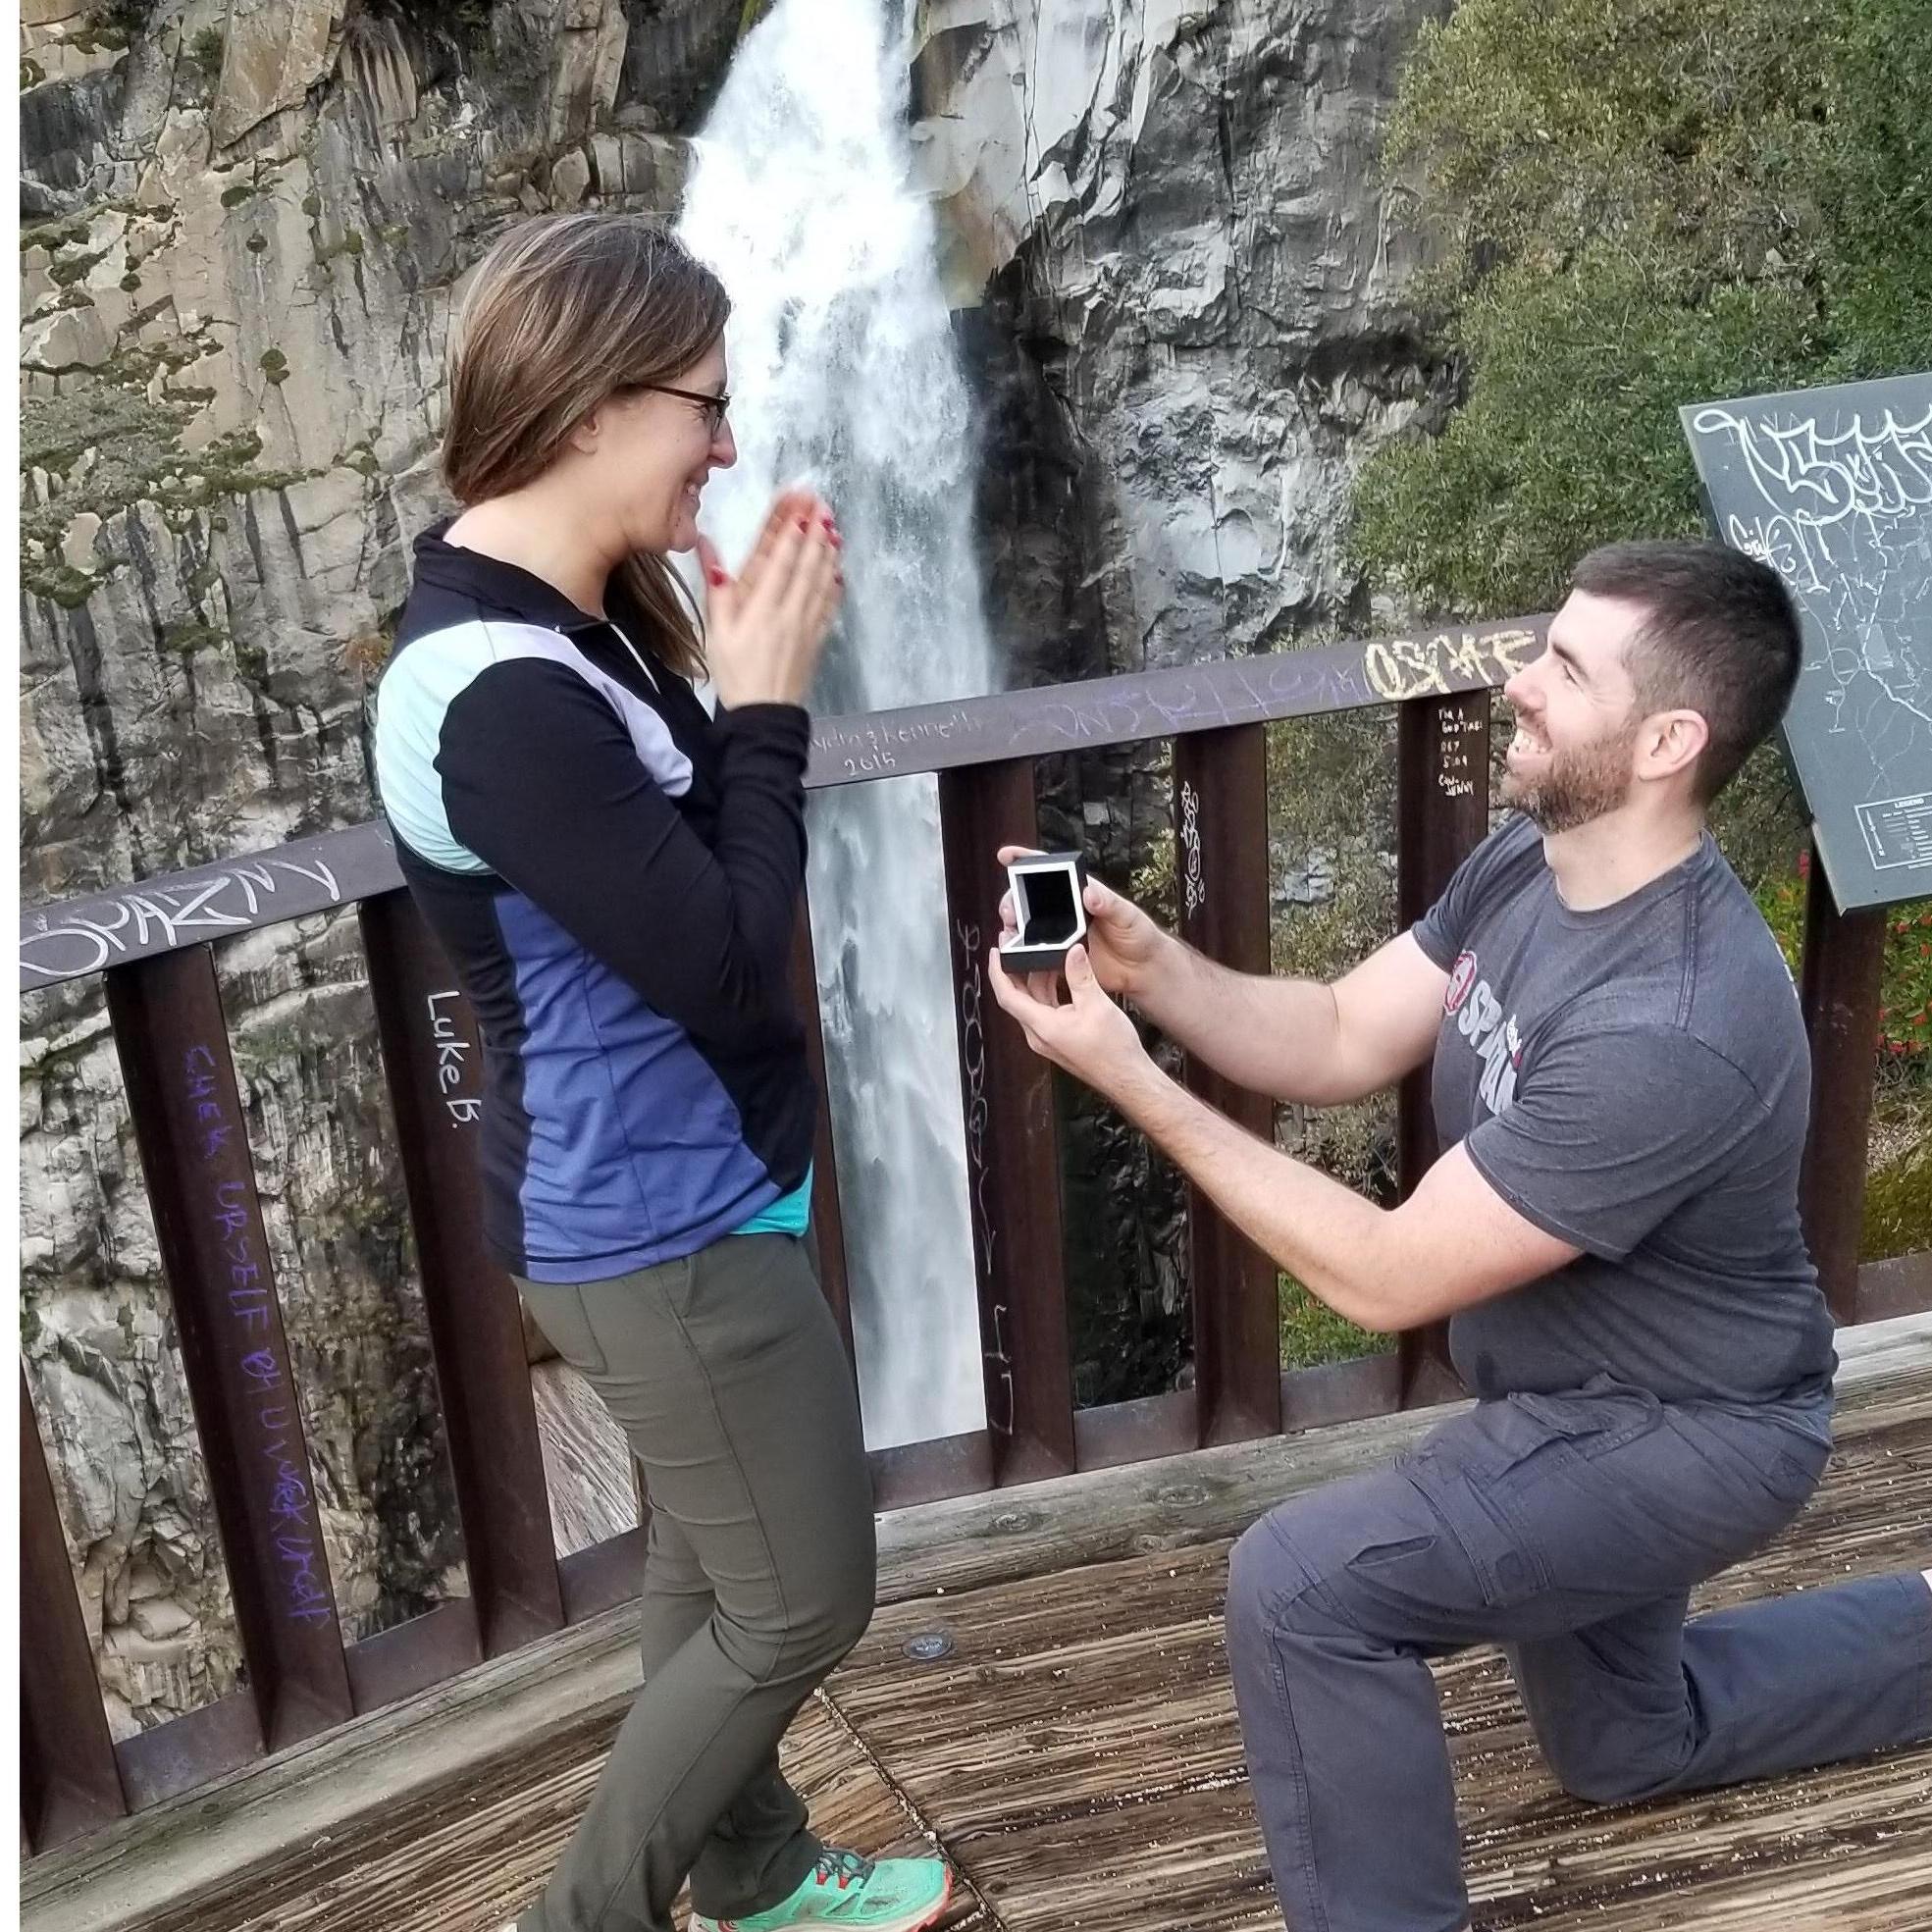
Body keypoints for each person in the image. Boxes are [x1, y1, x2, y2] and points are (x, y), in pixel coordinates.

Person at [986, 539, 1932, 1932]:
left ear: (1667, 738)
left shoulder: (1670, 1019)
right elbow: (1332, 1033)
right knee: (1624, 1743)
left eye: (1560, 665)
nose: (1515, 680)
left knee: (1302, 1586)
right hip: (1574, 1394)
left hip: (1682, 1432)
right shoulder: (1531, 859)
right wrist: (1151, 966)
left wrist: (1127, 1078)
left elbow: (1382, 1274)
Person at [372, 214, 952, 1932]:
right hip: (653, 1228)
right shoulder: (493, 693)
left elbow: (692, 844)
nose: (726, 439)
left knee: (716, 1568)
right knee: (803, 1601)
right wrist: (766, 703)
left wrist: (734, 678)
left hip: (687, 1194)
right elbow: (717, 946)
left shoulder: (568, 625)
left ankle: (761, 1878)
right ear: (586, 412)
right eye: (705, 401)